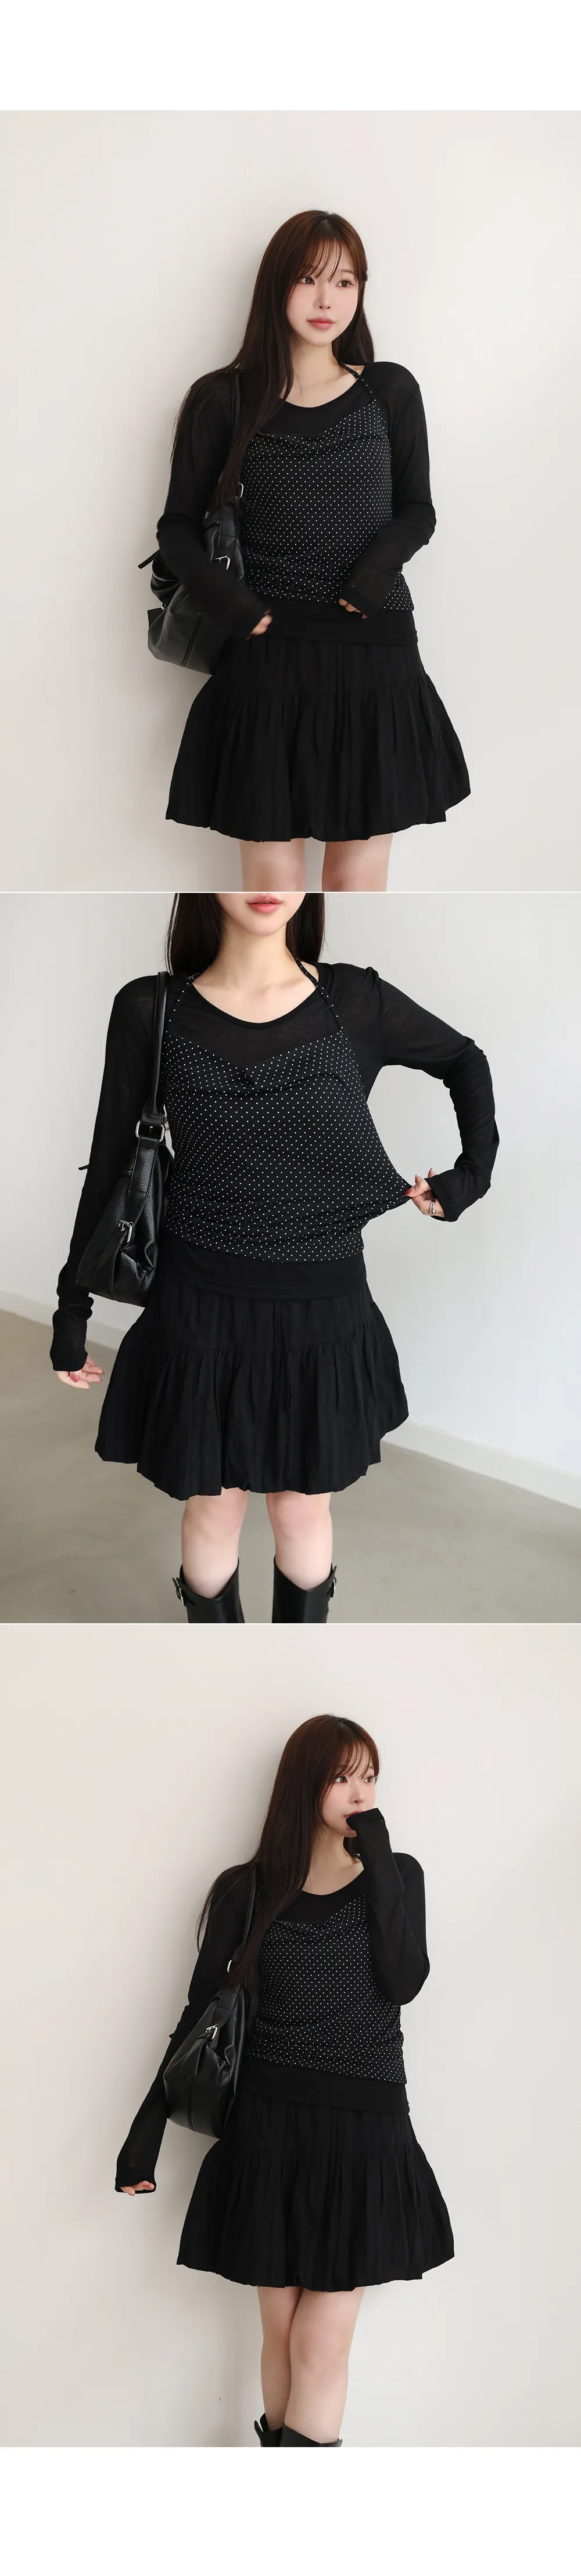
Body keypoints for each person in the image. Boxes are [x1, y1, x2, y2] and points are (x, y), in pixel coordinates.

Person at [51, 892, 498, 1622]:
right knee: (213, 1506)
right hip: (200, 1306)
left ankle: (291, 1661)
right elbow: (110, 1167)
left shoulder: (354, 1001)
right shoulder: (152, 1008)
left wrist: (469, 1179)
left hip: (322, 1309)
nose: (266, 887)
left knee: (301, 1507)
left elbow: (463, 1059)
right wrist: (72, 1308)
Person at [116, 1713, 454, 2447]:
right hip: (269, 2128)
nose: (361, 1793)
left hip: (363, 2132)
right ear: (306, 1784)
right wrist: (144, 2135)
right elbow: (198, 2018)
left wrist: (378, 1855)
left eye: (370, 1777)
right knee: (282, 2337)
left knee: (318, 2345)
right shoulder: (248, 1889)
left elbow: (403, 1982)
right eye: (343, 1777)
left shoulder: (398, 1876)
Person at [154, 207, 469, 890]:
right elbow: (175, 528)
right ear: (276, 286)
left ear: (359, 293)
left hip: (375, 658)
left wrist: (373, 574)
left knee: (358, 883)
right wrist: (236, 607)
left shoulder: (388, 390)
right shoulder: (223, 398)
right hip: (267, 659)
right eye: (308, 279)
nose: (327, 299)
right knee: (273, 879)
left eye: (344, 282)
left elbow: (418, 509)